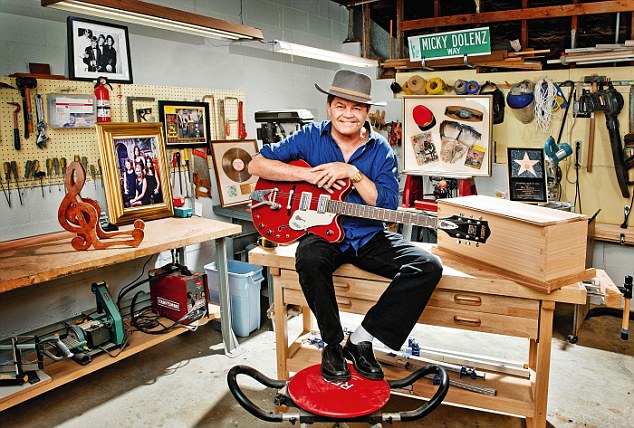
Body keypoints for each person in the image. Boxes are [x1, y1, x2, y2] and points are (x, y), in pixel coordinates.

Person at [248, 70, 443, 382]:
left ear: (366, 113)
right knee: (309, 258)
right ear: (329, 107)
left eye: (356, 108)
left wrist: (353, 173)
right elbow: (256, 164)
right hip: (323, 235)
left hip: (368, 235)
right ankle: (332, 343)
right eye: (341, 106)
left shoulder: (381, 150)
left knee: (427, 266)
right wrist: (308, 176)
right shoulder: (310, 137)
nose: (347, 114)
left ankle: (362, 338)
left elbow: (387, 207)